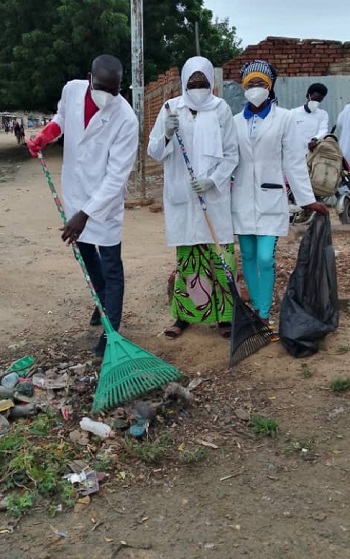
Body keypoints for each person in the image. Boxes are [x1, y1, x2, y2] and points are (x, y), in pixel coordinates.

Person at [27, 54, 139, 357]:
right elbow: (63, 118)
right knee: (87, 253)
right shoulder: (72, 90)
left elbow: (116, 177)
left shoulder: (126, 119)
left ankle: (111, 331)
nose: (107, 95)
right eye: (102, 86)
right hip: (76, 190)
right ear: (90, 77)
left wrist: (86, 213)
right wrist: (45, 136)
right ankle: (101, 301)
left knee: (111, 264)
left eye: (114, 90)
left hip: (104, 201)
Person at [231, 60, 328, 326]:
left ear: (270, 86)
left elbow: (294, 161)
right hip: (241, 198)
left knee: (265, 257)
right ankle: (258, 311)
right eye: (251, 83)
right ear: (243, 87)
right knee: (248, 256)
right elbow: (228, 159)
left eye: (261, 83)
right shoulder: (234, 121)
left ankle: (264, 311)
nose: (256, 88)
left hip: (270, 197)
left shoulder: (284, 118)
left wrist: (307, 200)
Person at [148, 56, 238, 339]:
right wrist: (166, 133)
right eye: (192, 81)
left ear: (210, 82)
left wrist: (213, 179)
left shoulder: (221, 109)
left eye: (202, 82)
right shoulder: (169, 108)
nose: (197, 86)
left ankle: (225, 316)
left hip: (213, 199)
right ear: (185, 82)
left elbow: (232, 153)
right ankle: (184, 316)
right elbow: (153, 151)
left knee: (221, 258)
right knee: (188, 260)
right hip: (183, 199)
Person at [290, 83, 329, 154]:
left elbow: (323, 130)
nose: (316, 102)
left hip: (314, 154)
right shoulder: (293, 113)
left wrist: (315, 139)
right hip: (295, 154)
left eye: (319, 100)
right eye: (314, 99)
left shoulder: (323, 114)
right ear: (308, 96)